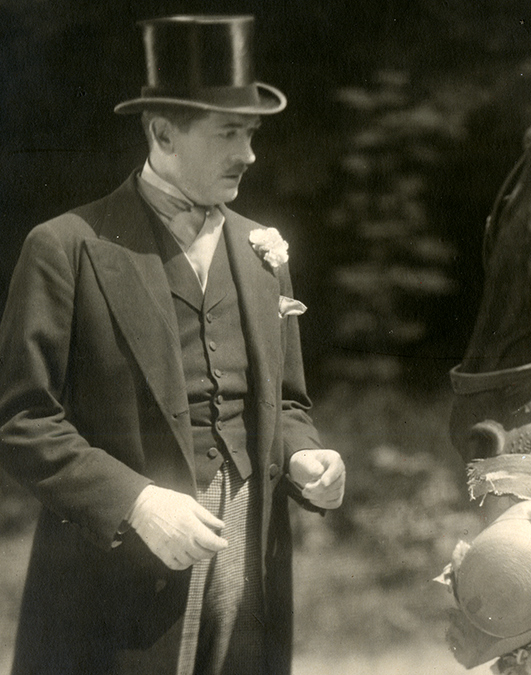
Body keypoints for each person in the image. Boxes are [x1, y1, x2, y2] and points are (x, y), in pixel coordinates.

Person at [0, 15, 345, 675]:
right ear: (162, 133)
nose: (248, 154)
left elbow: (287, 405)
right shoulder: (66, 247)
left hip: (248, 565)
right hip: (113, 581)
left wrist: (307, 457)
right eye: (228, 133)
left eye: (250, 133)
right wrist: (135, 500)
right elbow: (21, 420)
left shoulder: (260, 252)